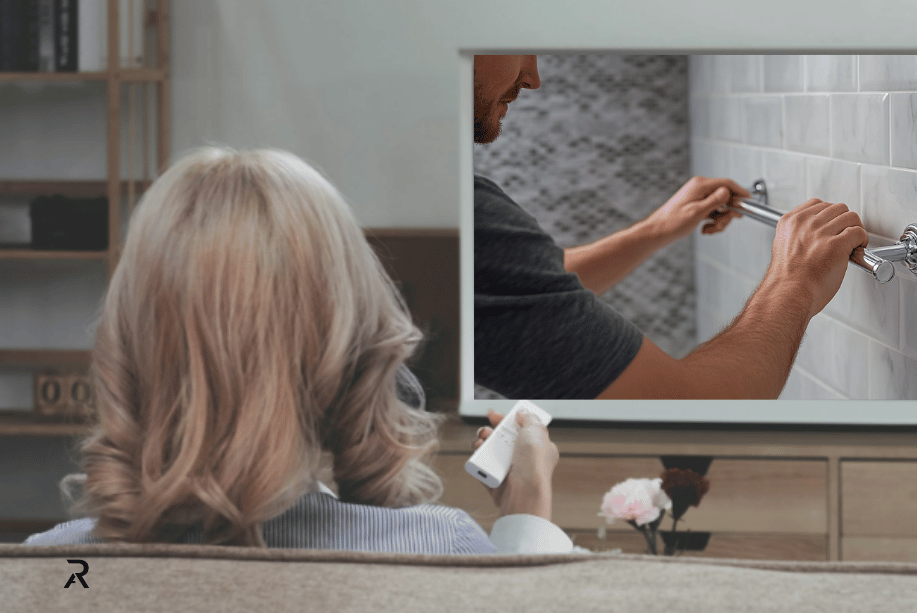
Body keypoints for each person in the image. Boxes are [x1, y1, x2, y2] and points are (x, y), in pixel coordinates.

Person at [24, 147, 572, 554]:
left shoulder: (66, 567)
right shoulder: (432, 551)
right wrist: (527, 522)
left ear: (129, 347)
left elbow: (76, 585)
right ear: (351, 349)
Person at [473, 55, 869, 400]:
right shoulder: (471, 211)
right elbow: (688, 407)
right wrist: (795, 278)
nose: (533, 76)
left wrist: (656, 230)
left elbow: (521, 286)